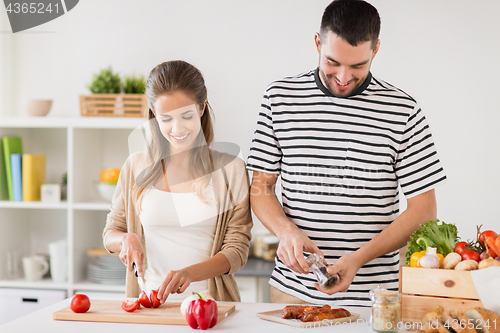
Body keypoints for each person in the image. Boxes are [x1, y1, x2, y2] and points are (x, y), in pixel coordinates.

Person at [247, 0, 447, 306]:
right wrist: (286, 231)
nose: (342, 77)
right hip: (292, 293)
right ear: (317, 42)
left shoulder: (403, 110)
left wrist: (358, 259)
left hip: (376, 299)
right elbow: (261, 188)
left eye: (358, 65)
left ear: (375, 50)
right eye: (332, 62)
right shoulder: (279, 99)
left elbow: (424, 210)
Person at [103, 60, 253, 303]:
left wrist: (189, 274)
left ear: (202, 108)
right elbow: (110, 232)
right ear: (154, 115)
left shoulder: (232, 169)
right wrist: (126, 239)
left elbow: (237, 251)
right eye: (166, 119)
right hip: (150, 307)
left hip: (210, 307)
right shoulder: (135, 167)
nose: (178, 128)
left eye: (186, 115)